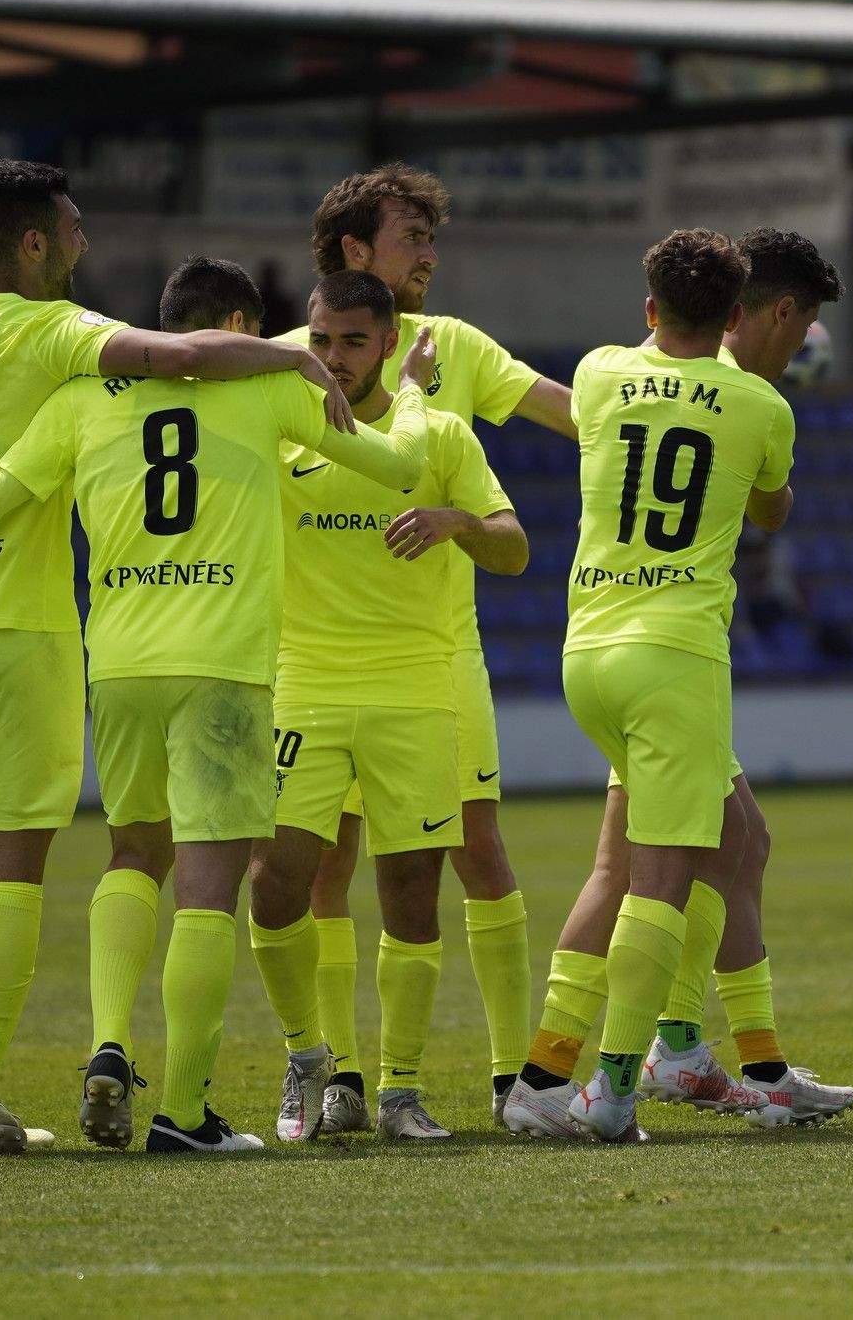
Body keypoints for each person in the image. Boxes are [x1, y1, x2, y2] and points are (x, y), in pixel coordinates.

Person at [0, 256, 426, 1153]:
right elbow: (397, 466)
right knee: (207, 893)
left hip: (119, 667)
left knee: (132, 856)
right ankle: (184, 1108)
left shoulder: (83, 400)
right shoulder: (271, 395)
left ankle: (106, 1045)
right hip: (224, 670)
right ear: (242, 332)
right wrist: (415, 393)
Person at [503, 229, 853, 1135]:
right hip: (676, 661)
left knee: (733, 836)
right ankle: (616, 1088)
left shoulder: (597, 371)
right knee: (657, 881)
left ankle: (586, 1071)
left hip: (588, 652)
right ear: (738, 315)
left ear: (650, 307)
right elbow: (770, 507)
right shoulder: (759, 407)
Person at [278, 165, 574, 1125]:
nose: (430, 255)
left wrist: (674, 402)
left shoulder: (454, 349)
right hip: (316, 662)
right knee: (325, 865)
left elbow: (569, 414)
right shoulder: (287, 361)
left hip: (438, 654)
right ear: (355, 249)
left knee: (472, 851)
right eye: (413, 236)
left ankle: (506, 1072)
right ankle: (343, 1076)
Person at [246, 270, 526, 1142]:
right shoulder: (279, 426)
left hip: (415, 687)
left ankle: (401, 1089)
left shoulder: (441, 436)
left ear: (390, 345)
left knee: (412, 892)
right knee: (276, 884)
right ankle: (308, 1058)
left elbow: (515, 550)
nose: (332, 359)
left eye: (353, 343)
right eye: (321, 340)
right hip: (305, 685)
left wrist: (458, 524)